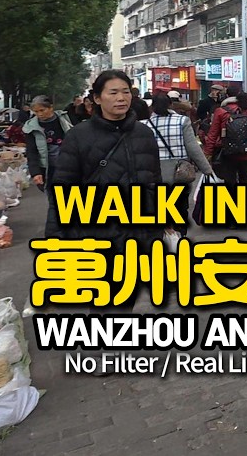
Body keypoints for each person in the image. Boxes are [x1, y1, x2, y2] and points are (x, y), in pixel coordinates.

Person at [51, 70, 163, 311]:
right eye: (113, 92)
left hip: (139, 231)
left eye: (126, 92)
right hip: (96, 232)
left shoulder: (144, 134)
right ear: (98, 99)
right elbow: (62, 188)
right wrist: (57, 238)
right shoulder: (78, 136)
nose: (121, 98)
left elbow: (154, 179)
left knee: (128, 294)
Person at [203, 92, 247, 222]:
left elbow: (213, 134)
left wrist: (208, 154)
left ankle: (232, 218)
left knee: (230, 184)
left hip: (228, 154)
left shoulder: (221, 112)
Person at [24, 96, 75, 238]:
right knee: (54, 200)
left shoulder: (65, 119)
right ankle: (57, 232)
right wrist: (35, 172)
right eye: (36, 111)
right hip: (48, 169)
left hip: (69, 165)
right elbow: (31, 152)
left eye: (42, 110)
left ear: (51, 107)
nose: (40, 114)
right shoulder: (31, 127)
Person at [148, 94, 216, 183]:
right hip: (180, 170)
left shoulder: (145, 124)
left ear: (152, 107)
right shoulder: (182, 121)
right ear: (170, 105)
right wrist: (206, 169)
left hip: (153, 170)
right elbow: (192, 147)